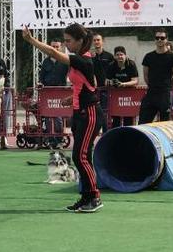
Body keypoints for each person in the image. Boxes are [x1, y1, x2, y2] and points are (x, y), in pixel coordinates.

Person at [22, 23, 103, 213]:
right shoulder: (81, 62)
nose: (66, 45)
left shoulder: (83, 60)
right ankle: (86, 197)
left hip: (89, 113)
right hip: (79, 112)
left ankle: (95, 197)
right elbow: (92, 83)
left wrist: (31, 40)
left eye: (68, 41)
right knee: (83, 157)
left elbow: (54, 53)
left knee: (80, 156)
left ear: (80, 41)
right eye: (64, 40)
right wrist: (72, 97)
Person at [139, 28, 173, 124]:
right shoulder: (148, 57)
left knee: (164, 124)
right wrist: (153, 85)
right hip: (151, 93)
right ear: (154, 39)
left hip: (165, 94)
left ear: (167, 39)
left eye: (162, 38)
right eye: (157, 38)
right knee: (143, 122)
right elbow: (146, 76)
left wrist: (167, 86)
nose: (159, 40)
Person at [38, 40, 68, 147]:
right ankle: (51, 140)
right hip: (48, 92)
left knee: (58, 117)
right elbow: (41, 77)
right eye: (53, 46)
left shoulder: (65, 61)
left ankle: (59, 140)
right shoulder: (46, 62)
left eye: (57, 46)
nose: (55, 48)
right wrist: (40, 84)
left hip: (60, 92)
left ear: (61, 47)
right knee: (48, 117)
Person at [105, 46, 139, 128]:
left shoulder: (131, 64)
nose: (120, 57)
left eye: (121, 55)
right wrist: (111, 83)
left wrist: (123, 84)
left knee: (128, 119)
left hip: (128, 95)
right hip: (116, 96)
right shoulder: (111, 65)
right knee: (115, 118)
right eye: (117, 55)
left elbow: (135, 81)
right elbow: (106, 81)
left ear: (125, 55)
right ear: (114, 56)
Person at [92, 34, 115, 133]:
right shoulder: (90, 56)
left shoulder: (109, 56)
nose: (96, 42)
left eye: (98, 40)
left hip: (106, 90)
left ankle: (105, 134)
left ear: (102, 41)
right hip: (94, 90)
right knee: (94, 113)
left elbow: (114, 71)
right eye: (94, 40)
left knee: (105, 113)